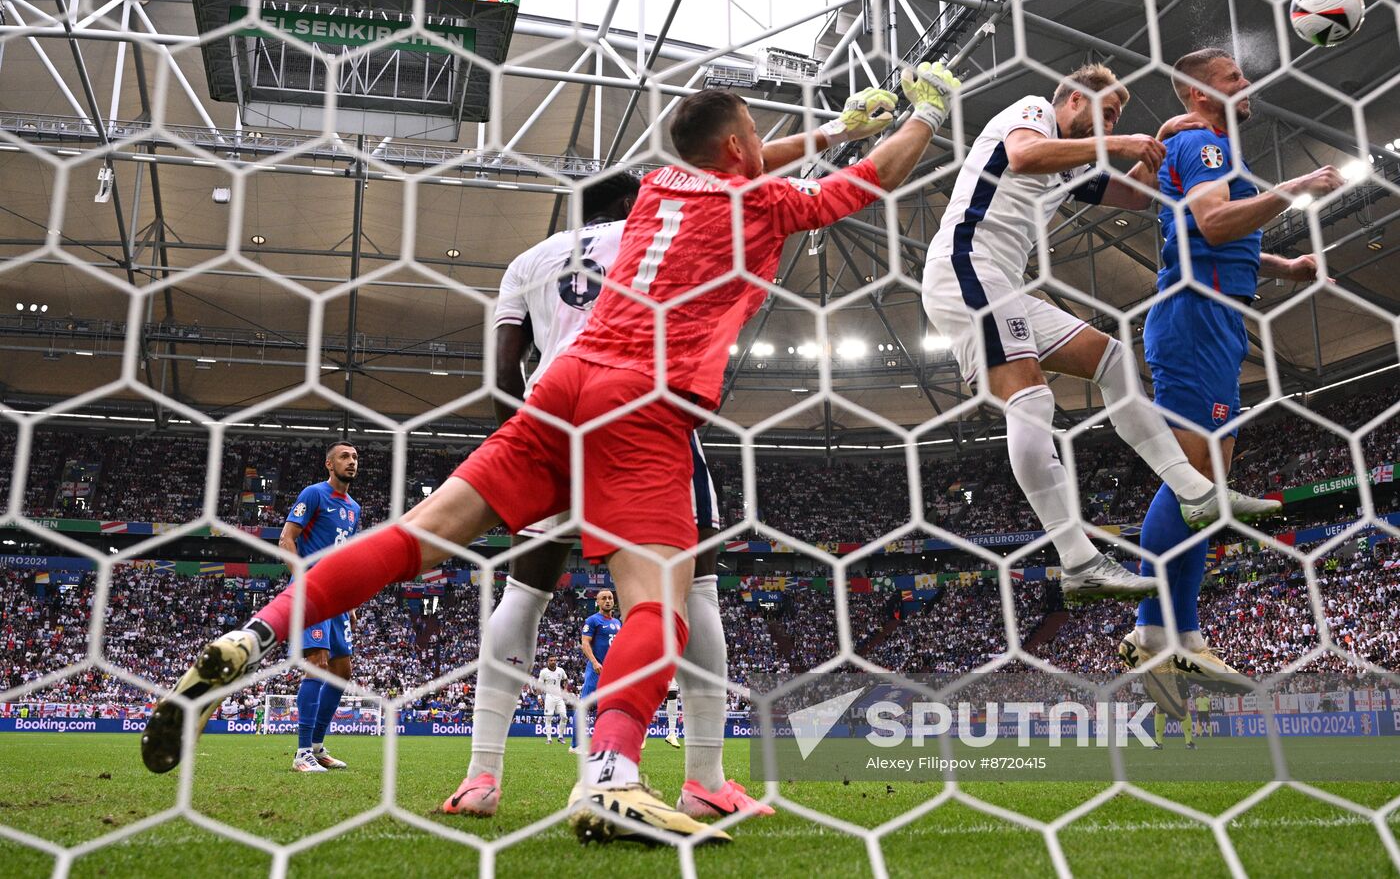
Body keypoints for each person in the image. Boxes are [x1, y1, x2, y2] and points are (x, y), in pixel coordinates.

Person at [142, 63, 958, 844]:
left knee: (410, 540)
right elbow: (870, 182)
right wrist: (926, 113)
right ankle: (611, 771)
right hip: (642, 410)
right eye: (754, 133)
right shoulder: (763, 205)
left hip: (557, 390)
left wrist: (825, 130)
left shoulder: (663, 188)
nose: (760, 142)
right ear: (740, 151)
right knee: (659, 608)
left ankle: (252, 636)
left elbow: (744, 157)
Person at [443, 173, 767, 820]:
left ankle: (480, 777)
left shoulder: (530, 261)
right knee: (693, 589)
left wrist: (528, 445)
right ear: (632, 205)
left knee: (522, 595)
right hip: (641, 420)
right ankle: (704, 779)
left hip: (554, 417)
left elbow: (504, 371)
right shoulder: (652, 239)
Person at [920, 62, 1281, 603]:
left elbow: (1136, 196)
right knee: (1033, 401)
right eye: (1105, 112)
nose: (1109, 122)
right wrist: (1123, 139)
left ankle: (1195, 493)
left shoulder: (1071, 164)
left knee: (1112, 360)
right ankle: (1079, 560)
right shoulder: (1034, 112)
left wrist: (1156, 142)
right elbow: (1022, 156)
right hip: (965, 267)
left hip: (1002, 284)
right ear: (1071, 101)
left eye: (1116, 116)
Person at [1123, 47, 1343, 685]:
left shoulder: (1210, 150)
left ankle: (1181, 631)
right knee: (1194, 480)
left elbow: (1212, 237)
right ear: (1198, 94)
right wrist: (1294, 188)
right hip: (1194, 318)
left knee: (1207, 488)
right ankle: (1150, 627)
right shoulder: (1206, 146)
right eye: (1233, 78)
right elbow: (1214, 226)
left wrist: (1282, 266)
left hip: (1214, 316)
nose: (1247, 84)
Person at [279, 441, 361, 773]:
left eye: (355, 457)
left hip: (337, 597)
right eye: (344, 456)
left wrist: (351, 602)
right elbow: (287, 538)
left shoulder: (354, 508)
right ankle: (301, 754)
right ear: (329, 464)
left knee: (343, 672)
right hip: (312, 590)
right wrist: (303, 579)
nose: (351, 462)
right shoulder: (313, 494)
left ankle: (316, 746)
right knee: (317, 663)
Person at [571, 590, 621, 753]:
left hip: (613, 672)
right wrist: (594, 662)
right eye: (604, 598)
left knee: (609, 708)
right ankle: (576, 745)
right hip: (597, 670)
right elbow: (585, 643)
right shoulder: (592, 620)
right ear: (597, 602)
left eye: (610, 598)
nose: (607, 601)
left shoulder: (617, 622)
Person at [537, 655, 569, 745]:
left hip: (559, 697)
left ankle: (560, 737)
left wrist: (565, 689)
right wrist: (539, 697)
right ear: (548, 661)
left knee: (564, 717)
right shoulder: (543, 672)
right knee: (548, 718)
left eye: (555, 660)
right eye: (551, 660)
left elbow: (566, 680)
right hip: (549, 697)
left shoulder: (560, 670)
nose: (553, 662)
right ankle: (549, 739)